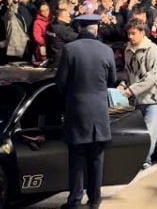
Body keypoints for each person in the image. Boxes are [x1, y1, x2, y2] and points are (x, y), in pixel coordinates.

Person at [56, 14, 116, 209]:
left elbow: (61, 83)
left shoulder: (70, 49)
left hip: (77, 110)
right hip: (99, 111)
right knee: (97, 158)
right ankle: (95, 199)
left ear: (80, 28)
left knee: (76, 157)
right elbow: (111, 81)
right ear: (96, 28)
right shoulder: (107, 51)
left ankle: (74, 200)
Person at [118, 18, 157, 169]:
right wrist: (122, 84)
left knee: (149, 131)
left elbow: (153, 76)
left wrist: (131, 90)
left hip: (154, 97)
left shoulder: (152, 49)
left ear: (142, 33)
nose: (130, 37)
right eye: (128, 34)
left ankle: (145, 160)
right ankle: (143, 156)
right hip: (137, 97)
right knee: (140, 131)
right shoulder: (128, 49)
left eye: (133, 33)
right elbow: (128, 73)